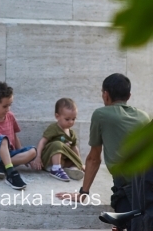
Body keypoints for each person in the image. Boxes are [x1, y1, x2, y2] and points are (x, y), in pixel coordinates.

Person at [59, 74, 150, 217]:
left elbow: (94, 159)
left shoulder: (101, 115)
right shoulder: (144, 116)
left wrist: (83, 193)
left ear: (105, 95)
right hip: (148, 185)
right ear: (129, 95)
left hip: (127, 187)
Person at [30, 98, 84, 181]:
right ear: (57, 116)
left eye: (73, 119)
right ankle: (55, 169)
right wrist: (38, 157)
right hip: (49, 160)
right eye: (67, 119)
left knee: (75, 161)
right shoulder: (54, 128)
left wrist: (79, 162)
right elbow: (42, 142)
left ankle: (72, 170)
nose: (71, 122)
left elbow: (74, 148)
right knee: (58, 144)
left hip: (63, 161)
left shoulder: (71, 133)